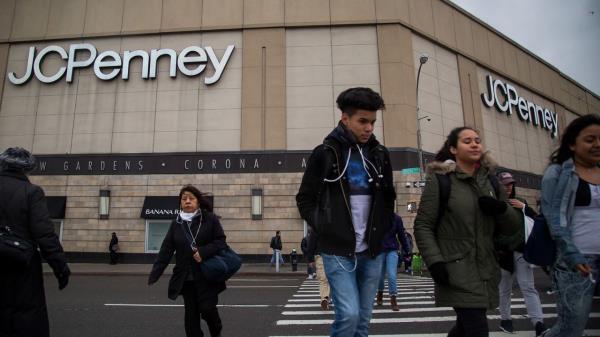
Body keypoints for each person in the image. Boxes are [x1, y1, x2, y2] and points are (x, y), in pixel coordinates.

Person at [296, 87, 396, 337]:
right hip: (338, 250)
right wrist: (324, 225)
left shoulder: (380, 155)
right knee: (349, 315)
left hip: (373, 251)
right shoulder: (326, 153)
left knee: (363, 322)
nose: (369, 128)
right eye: (362, 121)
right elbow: (305, 198)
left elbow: (388, 198)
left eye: (373, 122)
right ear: (345, 119)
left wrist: (383, 230)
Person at [414, 127, 523, 337]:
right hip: (455, 267)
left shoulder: (492, 182)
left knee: (465, 328)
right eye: (467, 141)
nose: (474, 144)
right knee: (477, 328)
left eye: (477, 140)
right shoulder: (440, 181)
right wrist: (435, 261)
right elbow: (423, 225)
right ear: (453, 149)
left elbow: (512, 227)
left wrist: (501, 209)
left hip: (487, 268)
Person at [0, 147, 70, 337]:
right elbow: (45, 234)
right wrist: (60, 268)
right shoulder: (30, 192)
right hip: (21, 265)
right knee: (24, 314)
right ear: (27, 168)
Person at [541, 114, 600, 337]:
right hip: (575, 261)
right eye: (590, 139)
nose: (597, 145)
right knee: (571, 328)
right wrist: (572, 254)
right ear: (573, 144)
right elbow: (554, 218)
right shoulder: (557, 173)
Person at [148, 185, 226, 337]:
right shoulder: (176, 223)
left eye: (191, 198)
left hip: (207, 275)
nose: (187, 201)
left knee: (208, 310)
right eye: (184, 199)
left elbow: (220, 241)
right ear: (180, 203)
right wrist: (155, 273)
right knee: (191, 319)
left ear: (198, 202)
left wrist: (203, 252)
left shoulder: (209, 219)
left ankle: (216, 331)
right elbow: (166, 250)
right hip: (186, 278)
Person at [495, 171, 548, 336]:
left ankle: (538, 323)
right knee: (504, 288)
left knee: (528, 287)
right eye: (504, 184)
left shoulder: (521, 202)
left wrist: (524, 207)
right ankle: (506, 319)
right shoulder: (495, 204)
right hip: (503, 253)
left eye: (510, 184)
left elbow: (537, 219)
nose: (508, 187)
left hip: (521, 251)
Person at [376, 213, 411, 311]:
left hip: (392, 250)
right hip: (379, 251)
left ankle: (393, 299)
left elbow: (401, 235)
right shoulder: (376, 217)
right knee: (379, 276)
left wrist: (407, 250)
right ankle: (380, 293)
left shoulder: (397, 218)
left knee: (392, 275)